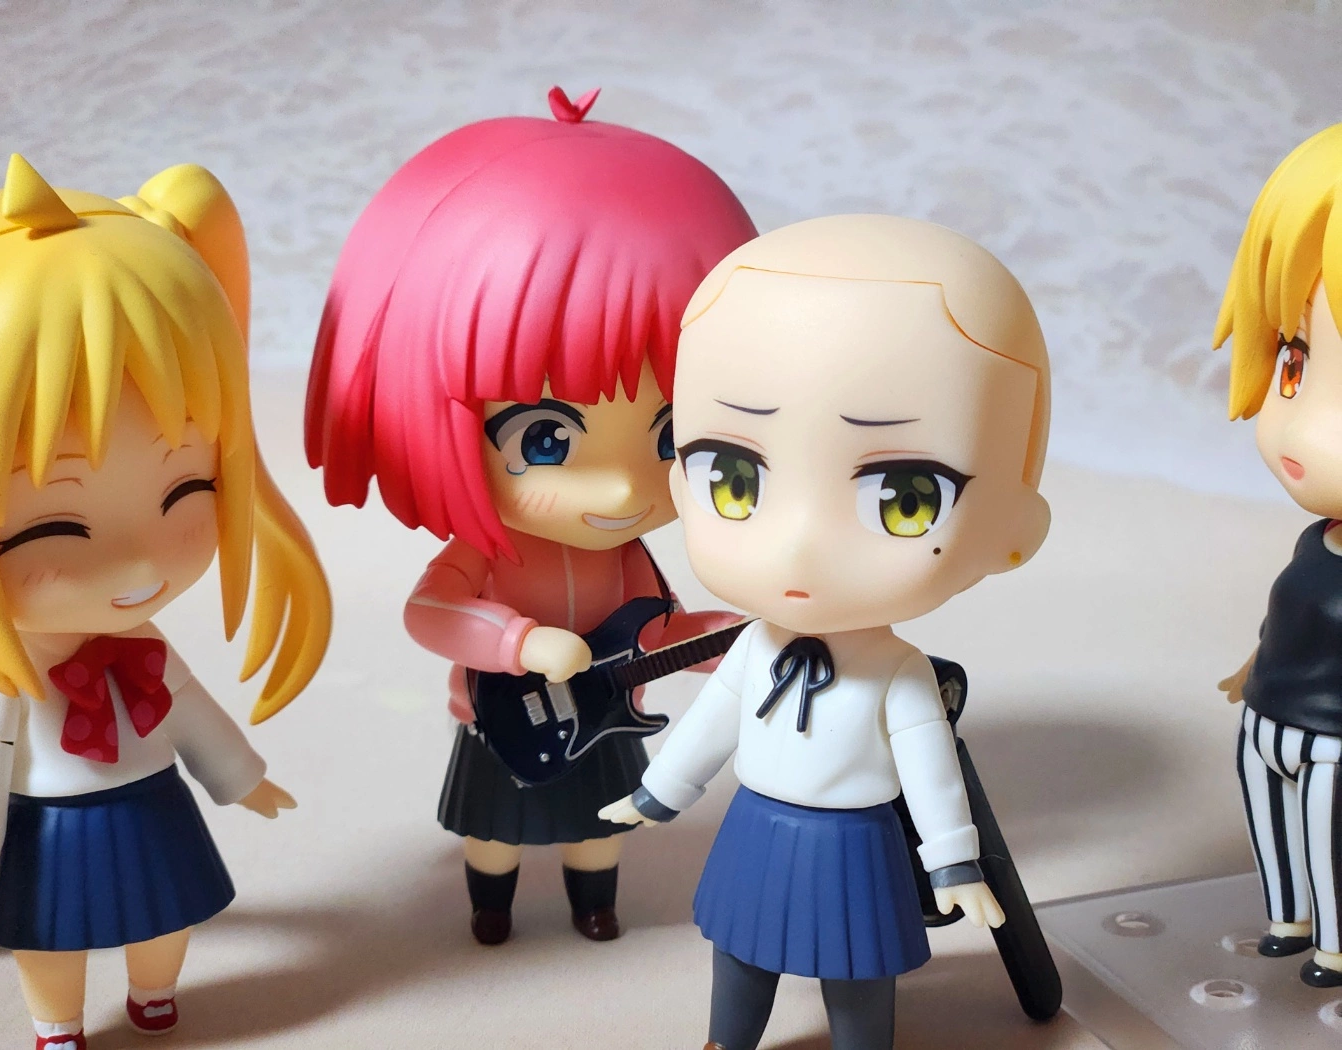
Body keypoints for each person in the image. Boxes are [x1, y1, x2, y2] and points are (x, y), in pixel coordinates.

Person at [303, 88, 756, 944]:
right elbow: (431, 610)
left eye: (670, 436)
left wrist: (717, 639)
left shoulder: (629, 556)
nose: (620, 493)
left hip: (602, 714)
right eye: (546, 439)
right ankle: (491, 903)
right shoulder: (488, 548)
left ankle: (594, 902)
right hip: (506, 717)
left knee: (600, 826)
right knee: (494, 832)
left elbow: (651, 629)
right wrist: (519, 644)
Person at [603, 213, 1052, 1050]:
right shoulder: (755, 648)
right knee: (740, 949)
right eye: (734, 480)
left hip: (854, 844)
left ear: (1013, 529)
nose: (800, 545)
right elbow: (713, 721)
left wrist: (954, 860)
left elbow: (930, 772)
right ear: (680, 484)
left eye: (905, 497)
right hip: (756, 827)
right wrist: (658, 791)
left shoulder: (899, 673)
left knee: (856, 969)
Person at [0, 156, 332, 1050]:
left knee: (167, 917)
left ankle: (155, 996)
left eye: (185, 489)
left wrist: (240, 777)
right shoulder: (4, 672)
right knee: (50, 939)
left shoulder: (140, 638)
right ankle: (58, 1024)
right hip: (45, 820)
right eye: (53, 529)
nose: (140, 565)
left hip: (150, 798)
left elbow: (186, 704)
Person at [1214, 122, 1342, 989]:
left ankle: (1334, 941)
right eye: (1294, 364)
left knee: (1333, 842)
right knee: (1276, 832)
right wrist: (1254, 666)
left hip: (1336, 740)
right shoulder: (1316, 536)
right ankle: (1288, 919)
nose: (1301, 429)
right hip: (1268, 717)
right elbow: (1294, 606)